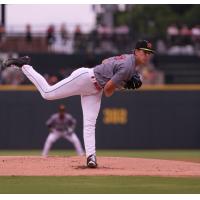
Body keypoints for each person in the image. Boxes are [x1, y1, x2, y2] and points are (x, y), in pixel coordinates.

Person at [2, 40, 155, 168]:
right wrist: (121, 84)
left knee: (90, 123)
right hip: (86, 79)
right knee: (47, 93)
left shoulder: (127, 58)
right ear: (136, 51)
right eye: (144, 51)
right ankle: (25, 66)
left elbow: (104, 62)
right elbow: (108, 91)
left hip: (95, 89)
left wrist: (116, 79)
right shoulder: (128, 67)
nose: (147, 55)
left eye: (149, 53)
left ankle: (91, 157)